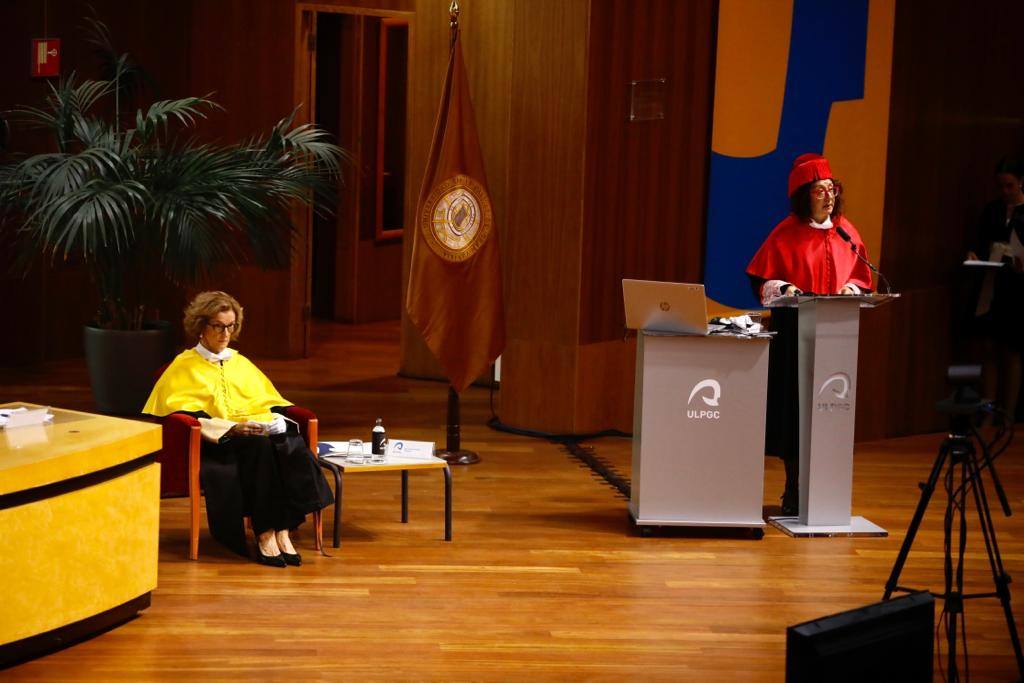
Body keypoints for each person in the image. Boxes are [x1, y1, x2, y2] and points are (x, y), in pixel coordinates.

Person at [144, 291, 334, 567]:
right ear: (201, 326)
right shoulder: (183, 366)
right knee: (260, 446)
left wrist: (278, 420)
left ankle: (281, 529)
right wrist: (232, 429)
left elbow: (269, 401)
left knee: (283, 440)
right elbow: (181, 416)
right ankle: (267, 532)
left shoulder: (240, 362)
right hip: (215, 444)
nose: (226, 334)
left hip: (254, 436)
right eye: (218, 326)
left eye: (231, 326)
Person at [746, 154, 873, 515]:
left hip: (836, 333)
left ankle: (826, 491)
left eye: (832, 189)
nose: (828, 197)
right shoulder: (786, 232)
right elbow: (763, 279)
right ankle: (793, 488)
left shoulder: (846, 231)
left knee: (831, 407)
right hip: (795, 333)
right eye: (820, 191)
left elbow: (861, 276)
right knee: (795, 411)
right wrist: (786, 287)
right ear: (805, 197)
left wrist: (851, 288)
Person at [965, 158, 1024, 422]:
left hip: (1017, 289)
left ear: (1021, 182)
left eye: (1010, 185)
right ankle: (988, 413)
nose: (1005, 191)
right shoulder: (992, 209)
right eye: (1001, 186)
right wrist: (974, 254)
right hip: (991, 284)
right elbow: (980, 242)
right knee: (987, 348)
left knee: (1011, 351)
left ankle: (1008, 416)